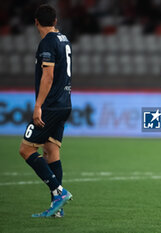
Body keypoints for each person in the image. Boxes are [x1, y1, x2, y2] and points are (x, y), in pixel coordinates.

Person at [18, 4, 73, 218]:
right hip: (65, 103)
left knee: (25, 150)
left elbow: (48, 76)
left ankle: (58, 192)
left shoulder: (47, 42)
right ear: (56, 21)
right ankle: (57, 209)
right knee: (51, 152)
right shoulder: (64, 39)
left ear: (36, 22)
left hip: (50, 105)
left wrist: (38, 106)